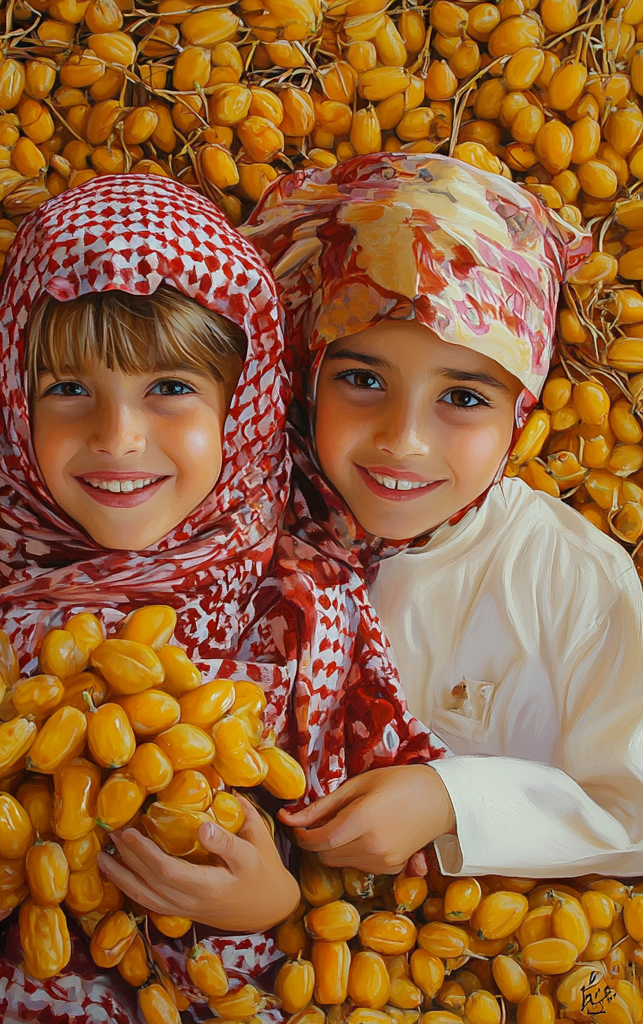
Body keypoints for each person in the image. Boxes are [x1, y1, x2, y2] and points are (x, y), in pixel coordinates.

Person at [0, 173, 445, 1024]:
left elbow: (358, 859)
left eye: (170, 388)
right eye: (67, 390)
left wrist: (267, 904)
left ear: (245, 411)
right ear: (11, 410)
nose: (117, 436)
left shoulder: (301, 607)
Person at [243, 152, 643, 879]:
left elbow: (633, 808)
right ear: (307, 379)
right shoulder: (245, 534)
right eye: (363, 379)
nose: (404, 440)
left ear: (522, 417)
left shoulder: (570, 578)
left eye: (463, 398)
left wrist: (451, 799)